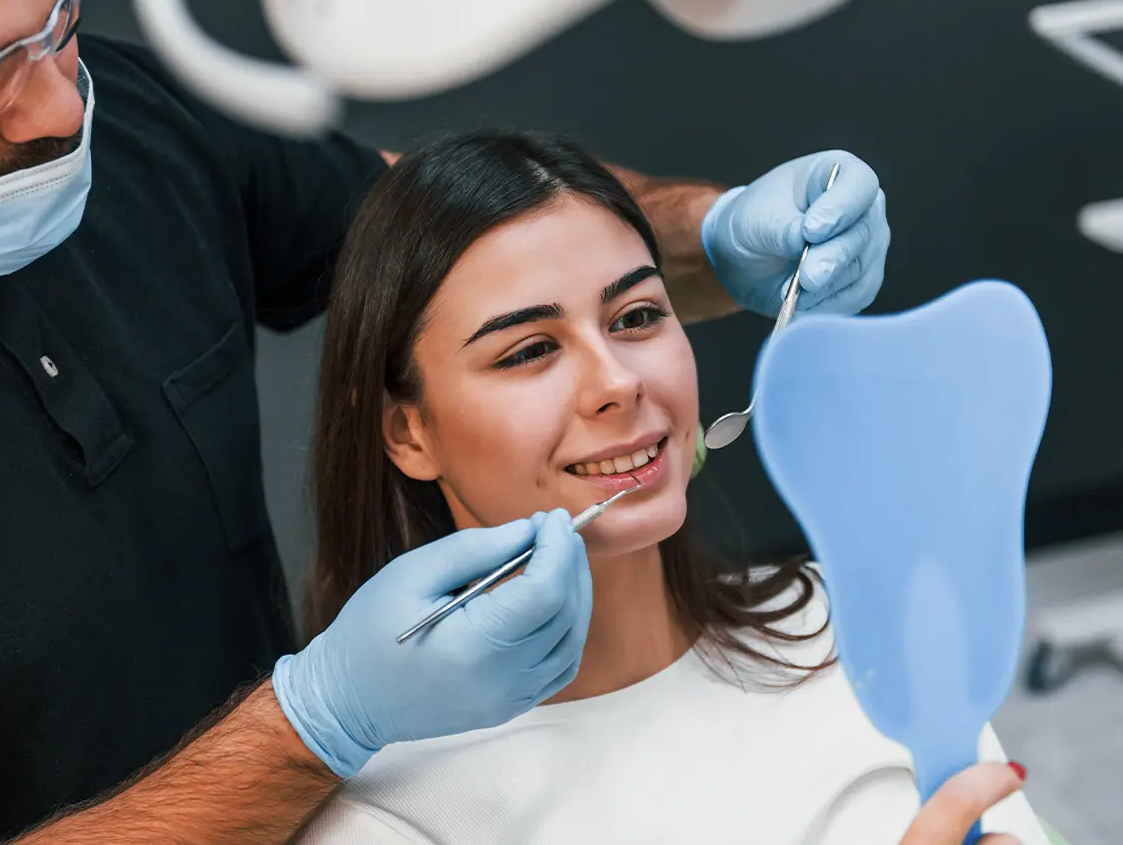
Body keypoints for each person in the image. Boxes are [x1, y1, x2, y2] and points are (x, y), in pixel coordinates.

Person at [0, 0, 890, 844]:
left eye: (59, 10)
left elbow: (470, 252)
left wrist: (708, 233)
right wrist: (318, 722)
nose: (60, 106)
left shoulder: (121, 114)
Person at [291, 131, 1044, 845]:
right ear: (406, 433)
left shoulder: (855, 625)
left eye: (638, 315)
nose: (618, 381)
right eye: (529, 351)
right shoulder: (387, 818)